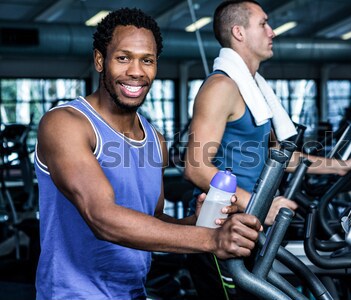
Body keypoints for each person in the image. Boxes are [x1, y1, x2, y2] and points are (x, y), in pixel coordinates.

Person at [34, 8, 262, 300]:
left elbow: (152, 221)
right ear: (100, 60)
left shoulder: (155, 139)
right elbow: (102, 217)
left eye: (147, 60)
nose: (136, 71)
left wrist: (198, 221)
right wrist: (211, 238)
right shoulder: (65, 124)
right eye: (123, 58)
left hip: (133, 293)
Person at [183, 1, 351, 299]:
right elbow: (196, 166)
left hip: (248, 224)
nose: (272, 32)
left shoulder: (254, 92)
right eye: (263, 24)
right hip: (219, 226)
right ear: (239, 32)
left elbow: (280, 158)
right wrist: (258, 204)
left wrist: (340, 165)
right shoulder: (221, 88)